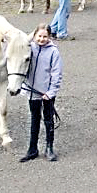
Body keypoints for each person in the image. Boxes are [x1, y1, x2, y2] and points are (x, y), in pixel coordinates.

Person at [19, 24, 63, 163]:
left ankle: (49, 148)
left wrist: (51, 92)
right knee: (34, 120)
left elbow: (56, 73)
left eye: (45, 36)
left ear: (49, 37)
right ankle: (32, 149)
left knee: (49, 120)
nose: (42, 39)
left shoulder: (53, 52)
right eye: (39, 36)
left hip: (47, 93)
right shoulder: (29, 48)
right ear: (34, 36)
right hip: (33, 92)